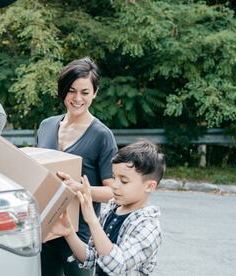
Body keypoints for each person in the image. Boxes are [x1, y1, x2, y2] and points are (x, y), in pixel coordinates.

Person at [37, 57, 118, 276]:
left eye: (84, 92)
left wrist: (81, 189)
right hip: (45, 230)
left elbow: (114, 193)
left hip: (79, 235)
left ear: (95, 93)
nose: (77, 98)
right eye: (71, 91)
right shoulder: (46, 126)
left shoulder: (102, 136)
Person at [52, 141, 165, 275]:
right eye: (114, 177)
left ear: (149, 186)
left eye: (124, 181)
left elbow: (117, 266)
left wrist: (92, 220)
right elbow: (92, 258)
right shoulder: (111, 210)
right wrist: (69, 232)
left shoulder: (148, 226)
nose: (115, 185)